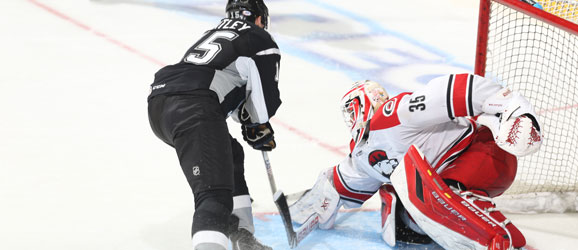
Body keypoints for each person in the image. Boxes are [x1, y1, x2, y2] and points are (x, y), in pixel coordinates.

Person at [289, 74, 542, 249]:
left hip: (484, 151)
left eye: (351, 110)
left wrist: (509, 103)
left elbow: (448, 91)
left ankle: (494, 233)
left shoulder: (395, 113)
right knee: (409, 211)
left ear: (363, 103)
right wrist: (320, 201)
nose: (350, 119)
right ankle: (407, 203)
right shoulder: (361, 156)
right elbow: (340, 187)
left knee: (444, 191)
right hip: (440, 179)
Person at [147, 1, 280, 249]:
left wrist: (251, 124)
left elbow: (222, 87)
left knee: (231, 154)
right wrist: (258, 127)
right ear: (260, 18)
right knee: (213, 196)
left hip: (160, 105)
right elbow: (264, 103)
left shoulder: (212, 33)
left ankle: (242, 236)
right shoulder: (259, 38)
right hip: (193, 107)